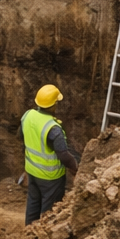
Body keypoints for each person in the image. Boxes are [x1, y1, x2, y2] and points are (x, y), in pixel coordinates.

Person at [21, 83, 80, 225]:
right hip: (51, 177)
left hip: (32, 171)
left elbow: (23, 138)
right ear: (53, 105)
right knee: (49, 213)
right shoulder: (53, 128)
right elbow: (64, 155)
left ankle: (28, 235)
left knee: (33, 205)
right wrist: (75, 168)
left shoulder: (27, 116)